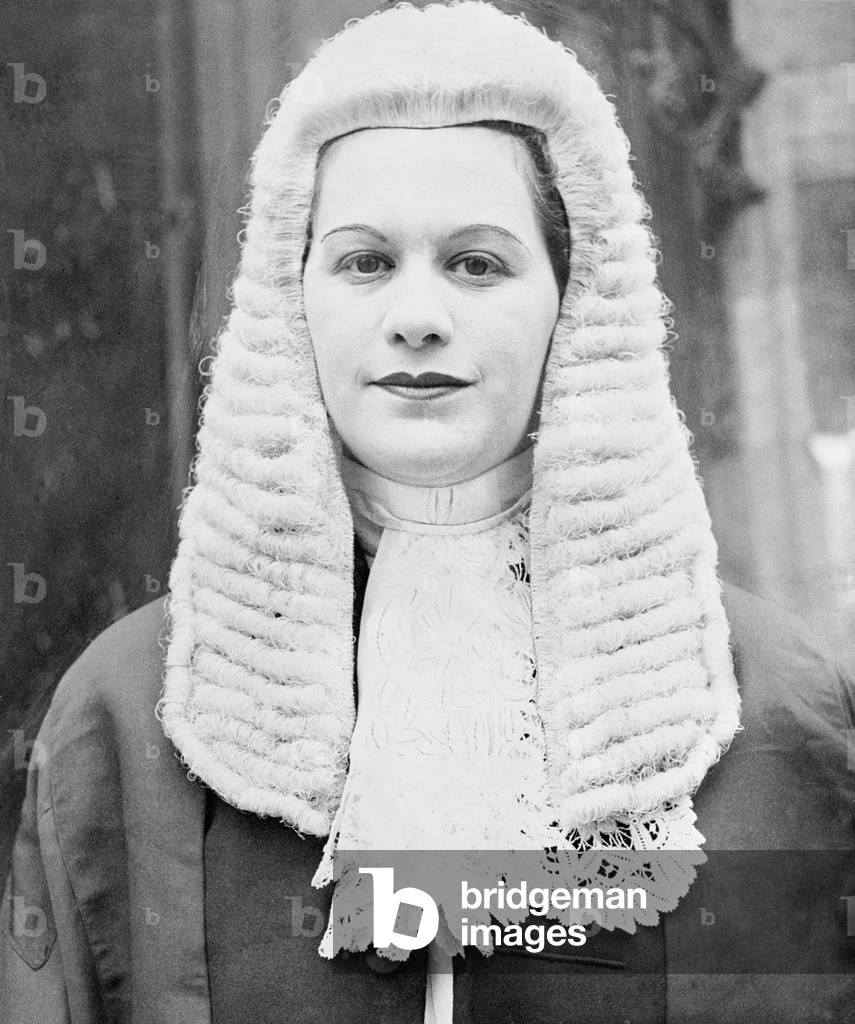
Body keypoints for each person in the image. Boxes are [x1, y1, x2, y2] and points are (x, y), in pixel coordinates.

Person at [2, 2, 853, 1022]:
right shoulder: (126, 714)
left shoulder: (779, 713)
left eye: (476, 262)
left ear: (575, 301)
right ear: (290, 299)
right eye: (364, 261)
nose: (417, 317)